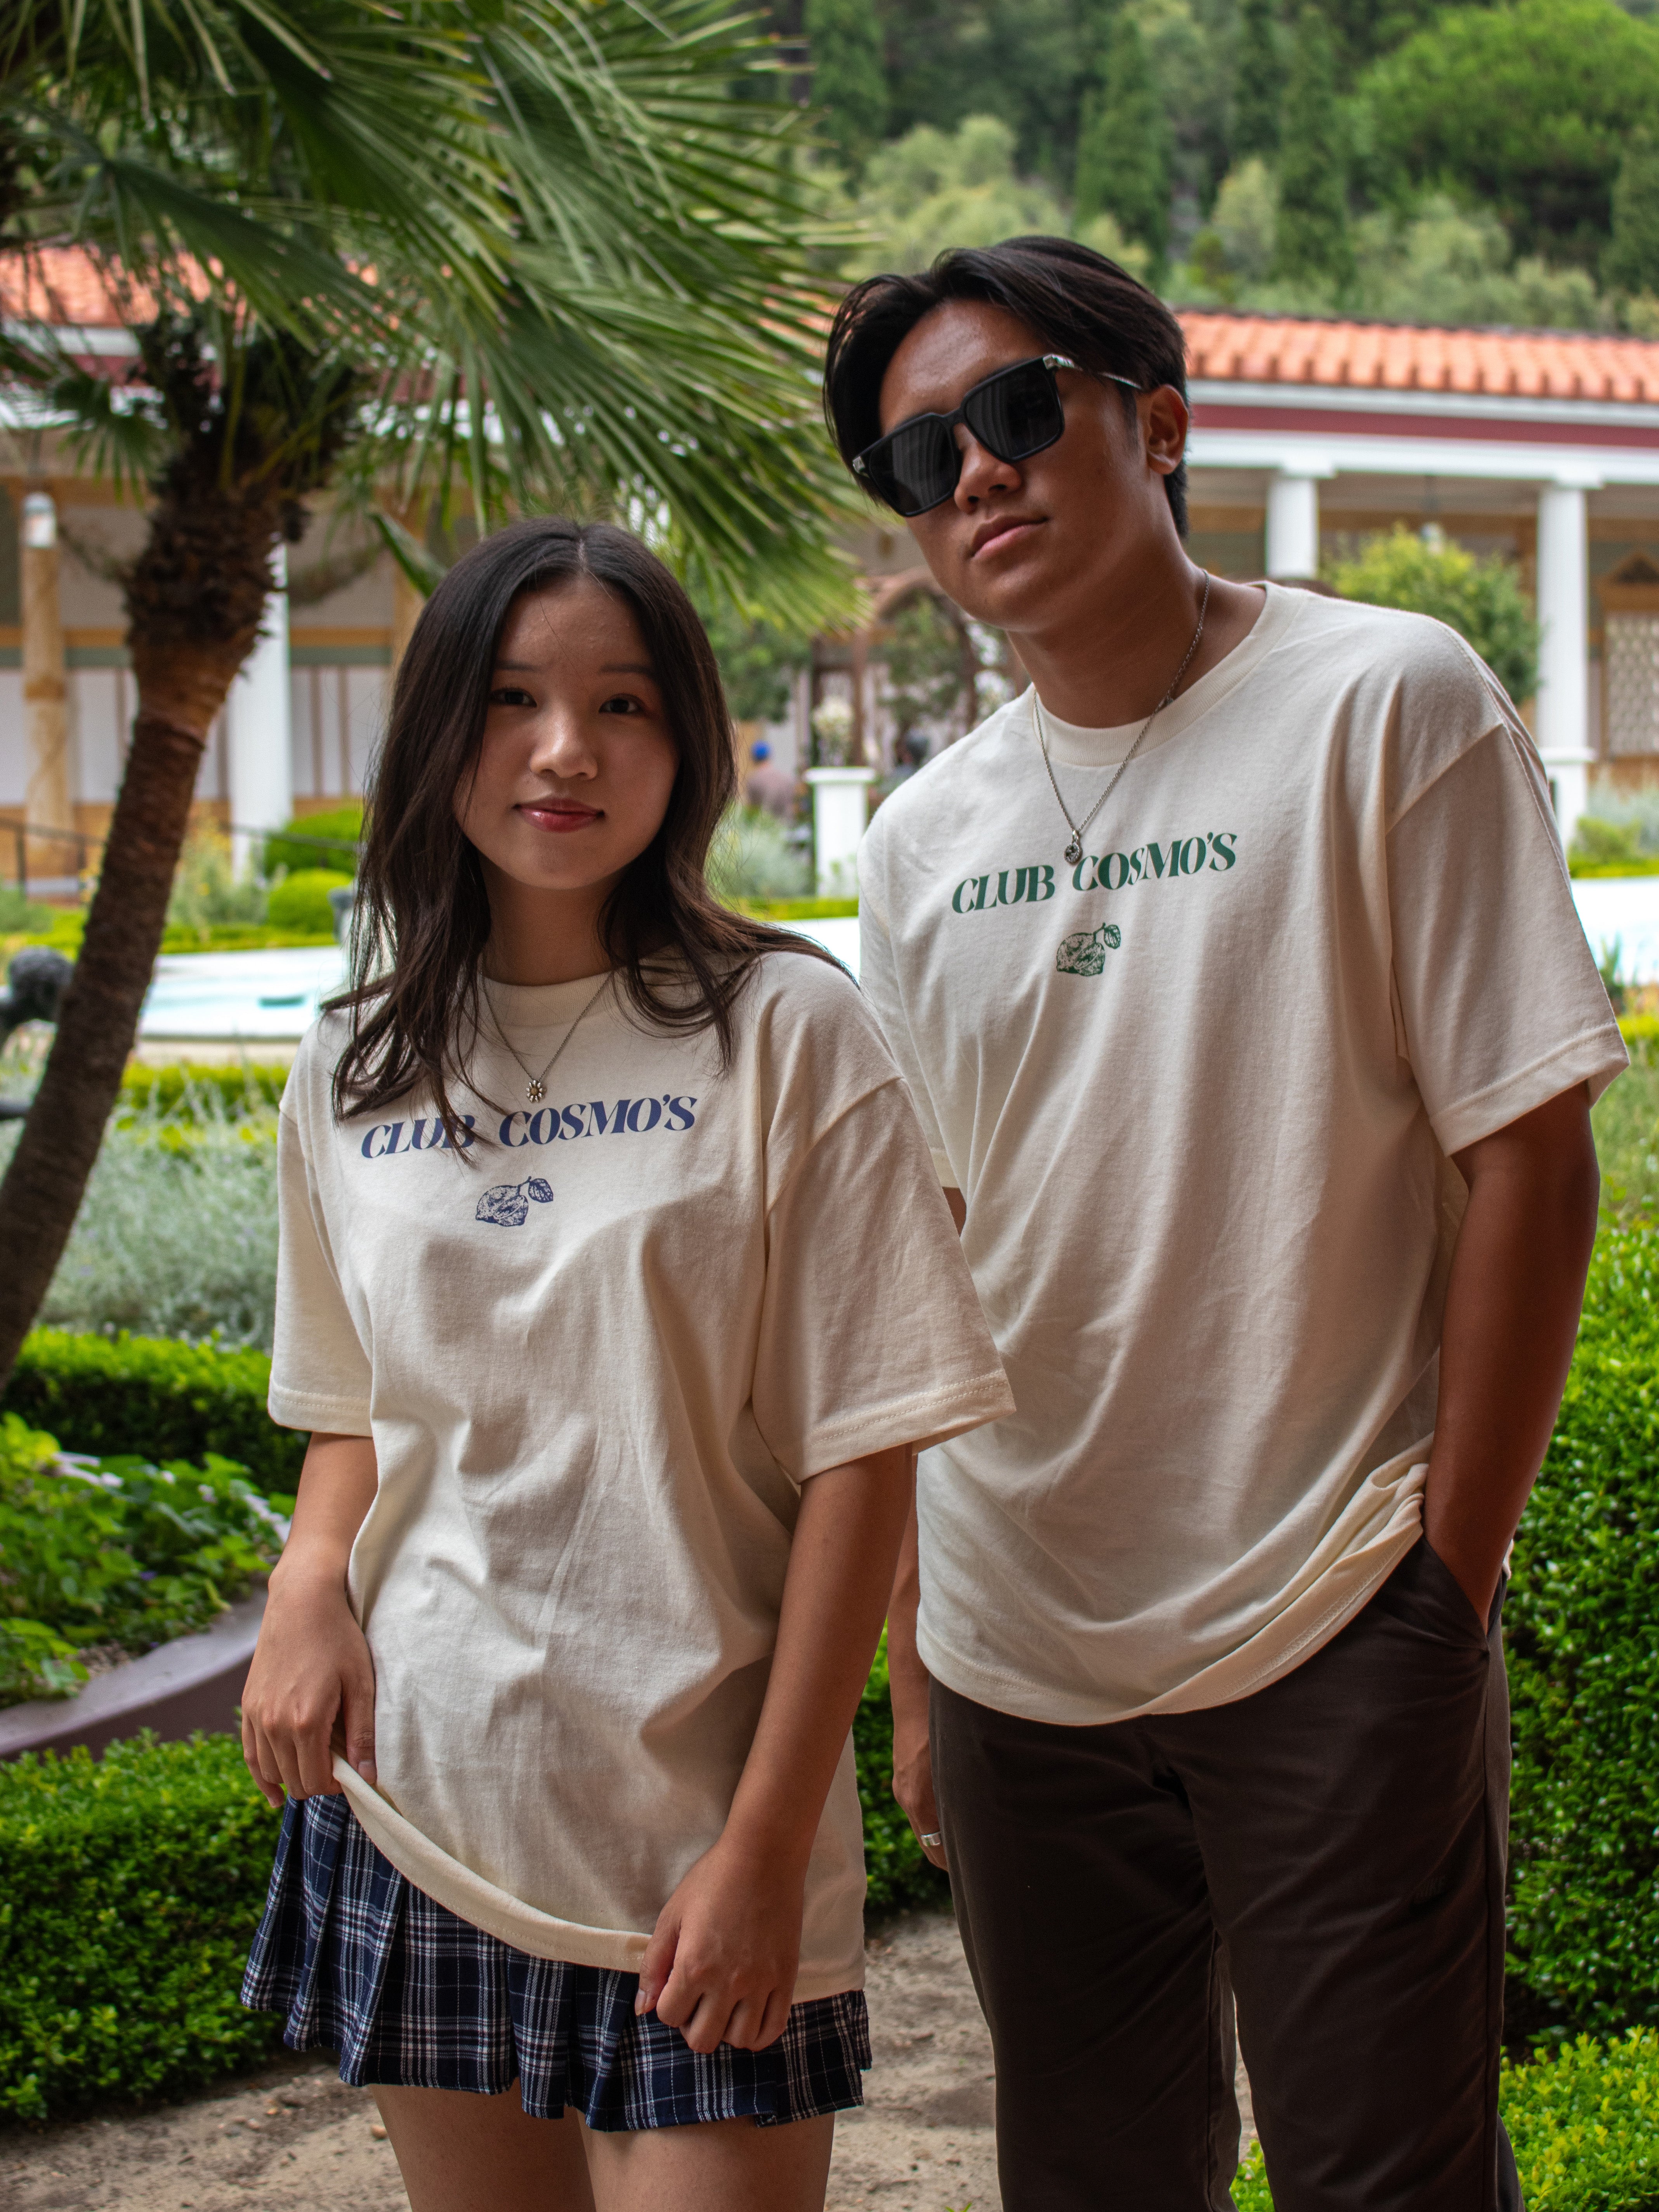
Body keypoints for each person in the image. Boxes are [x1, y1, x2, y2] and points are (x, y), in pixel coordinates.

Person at [824, 236, 1624, 2211]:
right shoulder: (919, 846)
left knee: (1389, 2178)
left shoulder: (1380, 705)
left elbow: (1524, 1157)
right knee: (1093, 2183)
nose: (977, 476)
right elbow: (924, 1269)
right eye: (922, 459)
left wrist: (1441, 1588)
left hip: (1331, 1613)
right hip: (1020, 1668)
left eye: (1015, 414)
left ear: (1153, 425)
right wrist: (920, 1670)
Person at [238, 517, 1012, 2212]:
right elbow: (358, 1401)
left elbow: (863, 1459)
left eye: (623, 704)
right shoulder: (351, 1063)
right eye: (510, 697)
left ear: (691, 742)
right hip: (422, 1795)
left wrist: (765, 1843)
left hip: (695, 1836)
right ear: (438, 725)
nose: (563, 748)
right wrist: (308, 1572)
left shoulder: (786, 1033)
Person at [744, 738, 798, 819]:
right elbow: (794, 804)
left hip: (765, 827)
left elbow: (750, 809)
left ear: (754, 758)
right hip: (786, 826)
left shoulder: (754, 781)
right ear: (769, 756)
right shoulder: (786, 778)